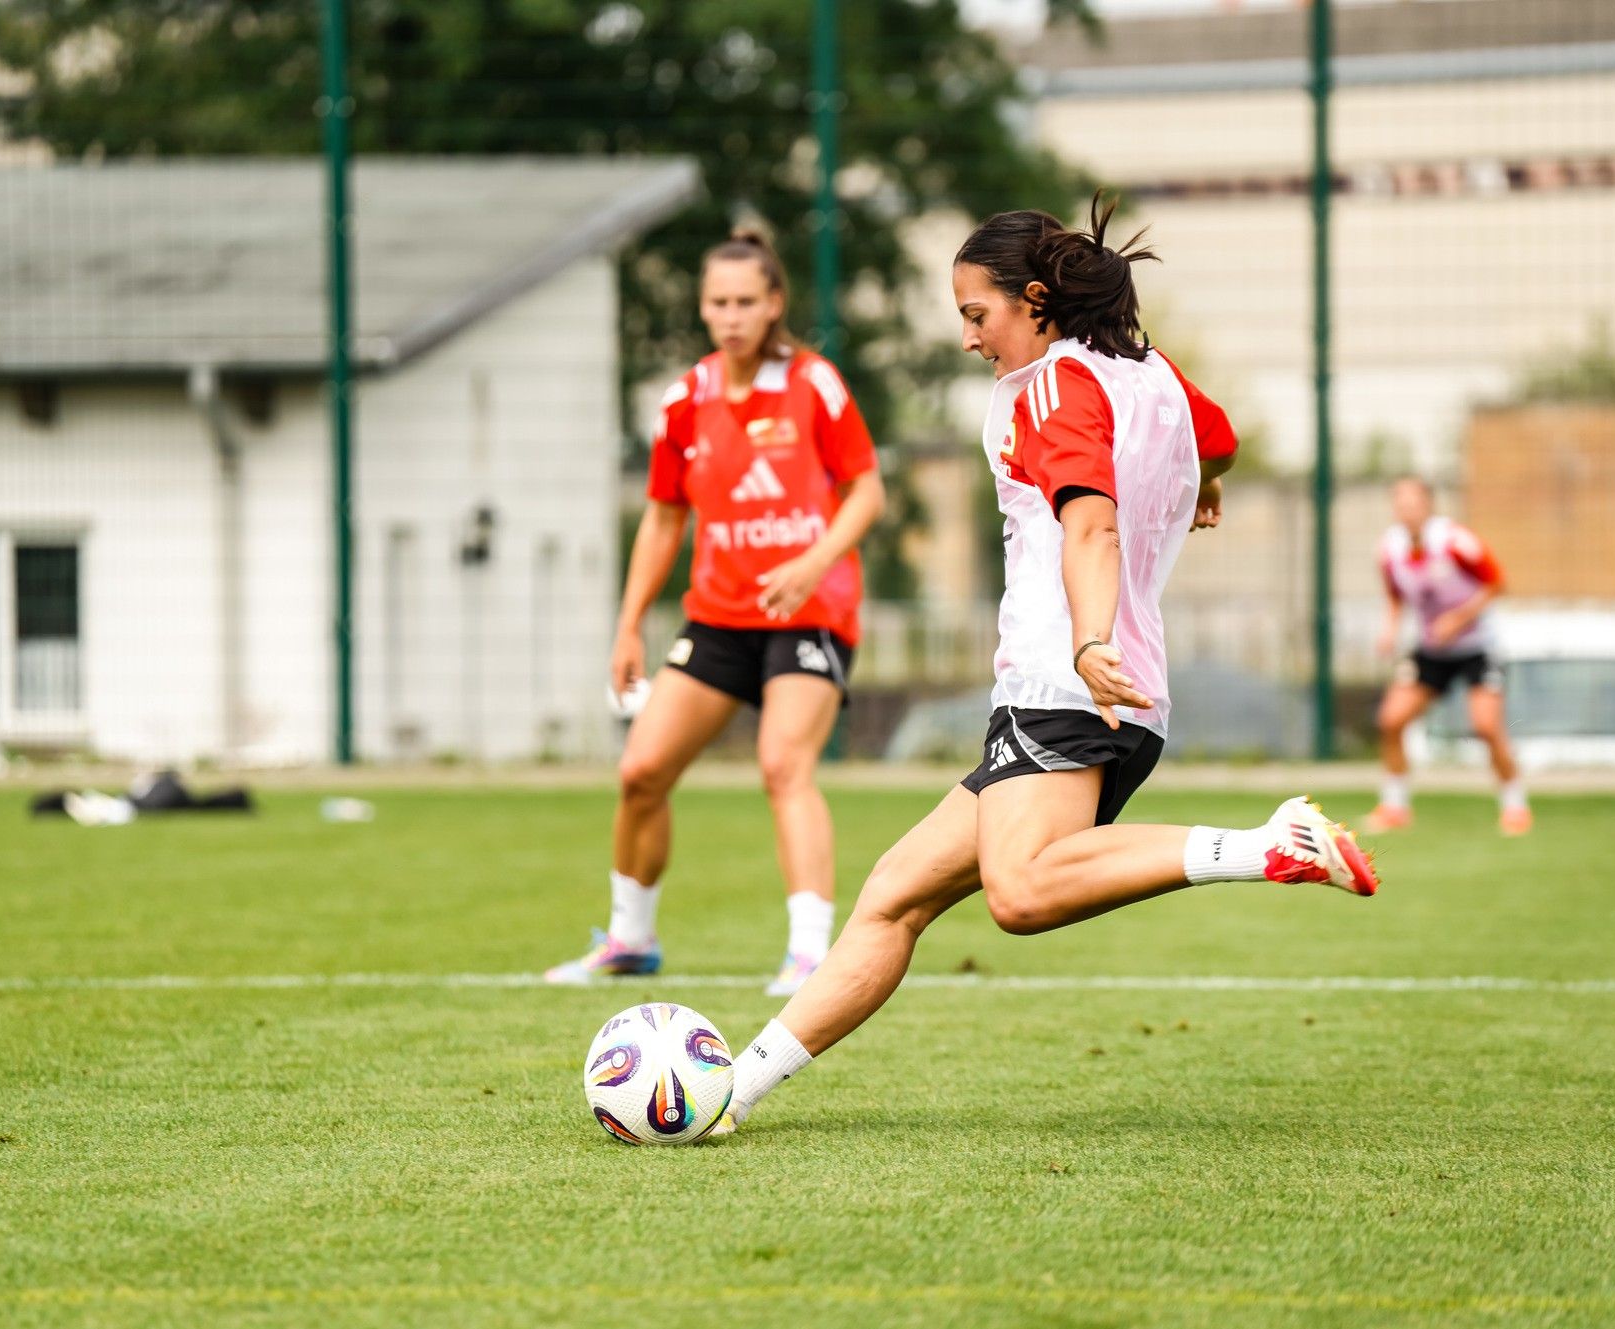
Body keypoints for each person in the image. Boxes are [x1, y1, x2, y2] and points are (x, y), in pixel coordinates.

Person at [708, 195, 1376, 1138]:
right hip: (1103, 688)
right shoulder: (1150, 371)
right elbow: (1212, 438)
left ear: (1033, 302)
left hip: (1070, 683)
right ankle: (730, 1092)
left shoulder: (1054, 387)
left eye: (977, 315)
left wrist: (1089, 640)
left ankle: (1266, 845)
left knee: (1018, 893)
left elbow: (1091, 522)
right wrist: (1203, 486)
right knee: (894, 897)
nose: (971, 340)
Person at [544, 228, 885, 997]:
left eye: (745, 301)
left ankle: (808, 955)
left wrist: (812, 561)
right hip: (720, 618)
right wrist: (630, 622)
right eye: (717, 302)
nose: (730, 315)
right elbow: (664, 517)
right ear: (703, 308)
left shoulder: (814, 384)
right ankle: (630, 938)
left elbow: (867, 491)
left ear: (773, 305)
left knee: (781, 764)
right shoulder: (686, 399)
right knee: (641, 769)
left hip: (808, 612)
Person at [1364, 477, 1530, 836]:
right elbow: (1395, 596)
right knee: (1391, 720)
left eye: (1414, 504)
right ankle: (1395, 807)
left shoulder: (1455, 541)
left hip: (1477, 648)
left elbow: (1497, 583)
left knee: (1486, 726)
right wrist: (1390, 628)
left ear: (1428, 506)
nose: (1408, 512)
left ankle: (1515, 807)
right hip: (1432, 651)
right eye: (1401, 505)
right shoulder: (1390, 549)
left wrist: (1458, 619)